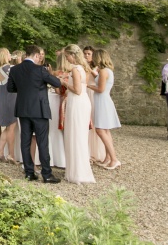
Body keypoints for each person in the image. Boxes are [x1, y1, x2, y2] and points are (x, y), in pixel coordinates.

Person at [7, 45, 62, 183]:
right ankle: (47, 174)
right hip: (39, 109)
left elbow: (10, 88)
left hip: (23, 109)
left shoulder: (15, 69)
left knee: (25, 141)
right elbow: (56, 83)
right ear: (36, 56)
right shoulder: (40, 69)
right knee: (42, 141)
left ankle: (29, 173)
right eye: (40, 56)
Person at [58, 44, 95, 184]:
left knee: (75, 135)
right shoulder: (84, 68)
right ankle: (79, 170)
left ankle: (77, 172)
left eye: (67, 56)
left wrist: (64, 82)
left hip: (77, 102)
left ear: (72, 55)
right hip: (83, 102)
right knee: (80, 136)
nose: (66, 58)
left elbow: (77, 90)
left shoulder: (75, 69)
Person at [87, 48, 121, 169]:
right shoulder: (106, 71)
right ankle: (108, 157)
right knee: (105, 130)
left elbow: (100, 89)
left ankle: (114, 158)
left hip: (102, 101)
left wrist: (88, 86)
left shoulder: (103, 72)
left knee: (101, 130)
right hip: (103, 100)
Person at [0, 48, 18, 164]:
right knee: (11, 127)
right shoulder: (10, 68)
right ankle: (11, 155)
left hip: (0, 100)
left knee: (7, 128)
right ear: (4, 56)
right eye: (8, 53)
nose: (10, 55)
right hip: (11, 99)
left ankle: (0, 151)